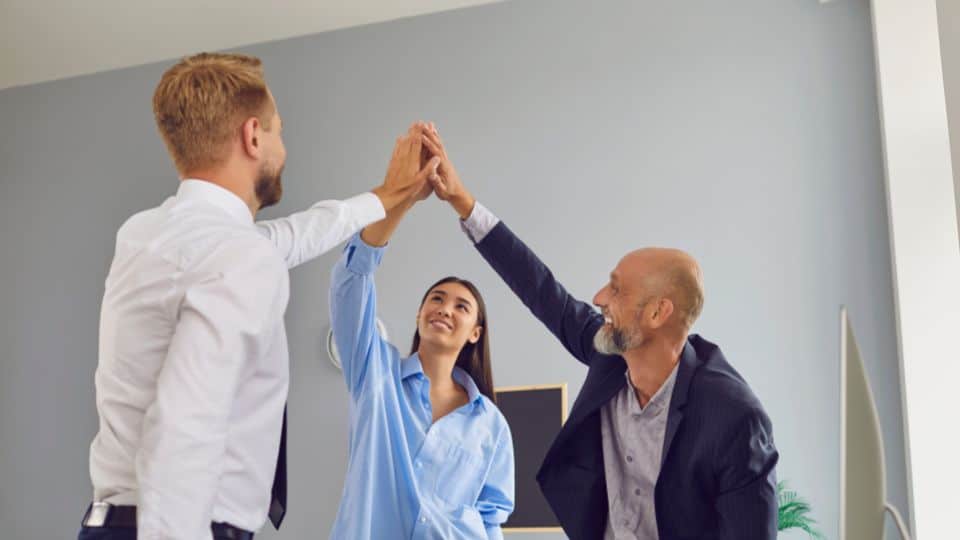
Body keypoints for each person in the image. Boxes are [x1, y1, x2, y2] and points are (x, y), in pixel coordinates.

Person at [79, 52, 439, 540]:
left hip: (119, 522)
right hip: (181, 525)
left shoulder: (144, 234)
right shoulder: (240, 257)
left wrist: (385, 195)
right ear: (252, 136)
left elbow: (290, 237)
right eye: (278, 131)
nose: (282, 147)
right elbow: (183, 428)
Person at [421, 124, 779, 540]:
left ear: (657, 313)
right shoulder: (612, 357)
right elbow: (541, 289)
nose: (598, 297)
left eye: (616, 288)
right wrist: (463, 203)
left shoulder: (734, 418)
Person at [327, 135, 515, 539]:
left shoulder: (491, 425)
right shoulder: (374, 374)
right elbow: (351, 280)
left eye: (461, 306)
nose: (445, 309)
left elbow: (490, 519)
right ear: (420, 313)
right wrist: (404, 198)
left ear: (475, 333)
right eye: (437, 299)